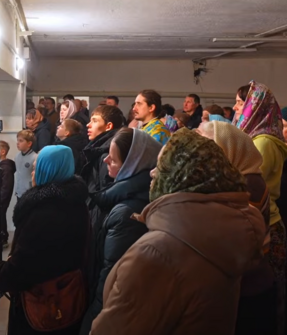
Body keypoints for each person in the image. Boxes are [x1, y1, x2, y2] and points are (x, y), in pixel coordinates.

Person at [91, 129, 266, 335]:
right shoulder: (226, 231)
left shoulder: (156, 253)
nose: (152, 172)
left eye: (163, 166)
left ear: (184, 177)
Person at [0, 146, 90, 335]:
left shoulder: (44, 213)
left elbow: (23, 267)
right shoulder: (75, 202)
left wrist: (0, 274)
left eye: (38, 167)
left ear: (49, 170)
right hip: (67, 297)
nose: (33, 173)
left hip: (42, 304)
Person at [199, 120, 276, 334]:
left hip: (250, 289)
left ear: (227, 148)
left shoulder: (246, 184)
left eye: (208, 147)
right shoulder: (234, 178)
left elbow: (234, 241)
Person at [80, 128, 160, 335]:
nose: (106, 160)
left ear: (132, 166)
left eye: (114, 160)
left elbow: (111, 278)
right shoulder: (123, 195)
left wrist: (92, 322)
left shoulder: (126, 213)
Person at [234, 81, 287, 333]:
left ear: (254, 107)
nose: (236, 108)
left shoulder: (263, 141)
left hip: (267, 220)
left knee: (267, 291)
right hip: (263, 217)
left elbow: (253, 183)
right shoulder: (259, 137)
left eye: (240, 103)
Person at [79, 105, 125, 196]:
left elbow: (103, 192)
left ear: (108, 126)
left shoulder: (106, 154)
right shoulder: (99, 148)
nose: (88, 125)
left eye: (95, 121)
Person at [14, 130, 37, 200]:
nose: (18, 143)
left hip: (29, 194)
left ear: (29, 143)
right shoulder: (17, 156)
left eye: (21, 141)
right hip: (19, 192)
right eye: (17, 140)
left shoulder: (35, 157)